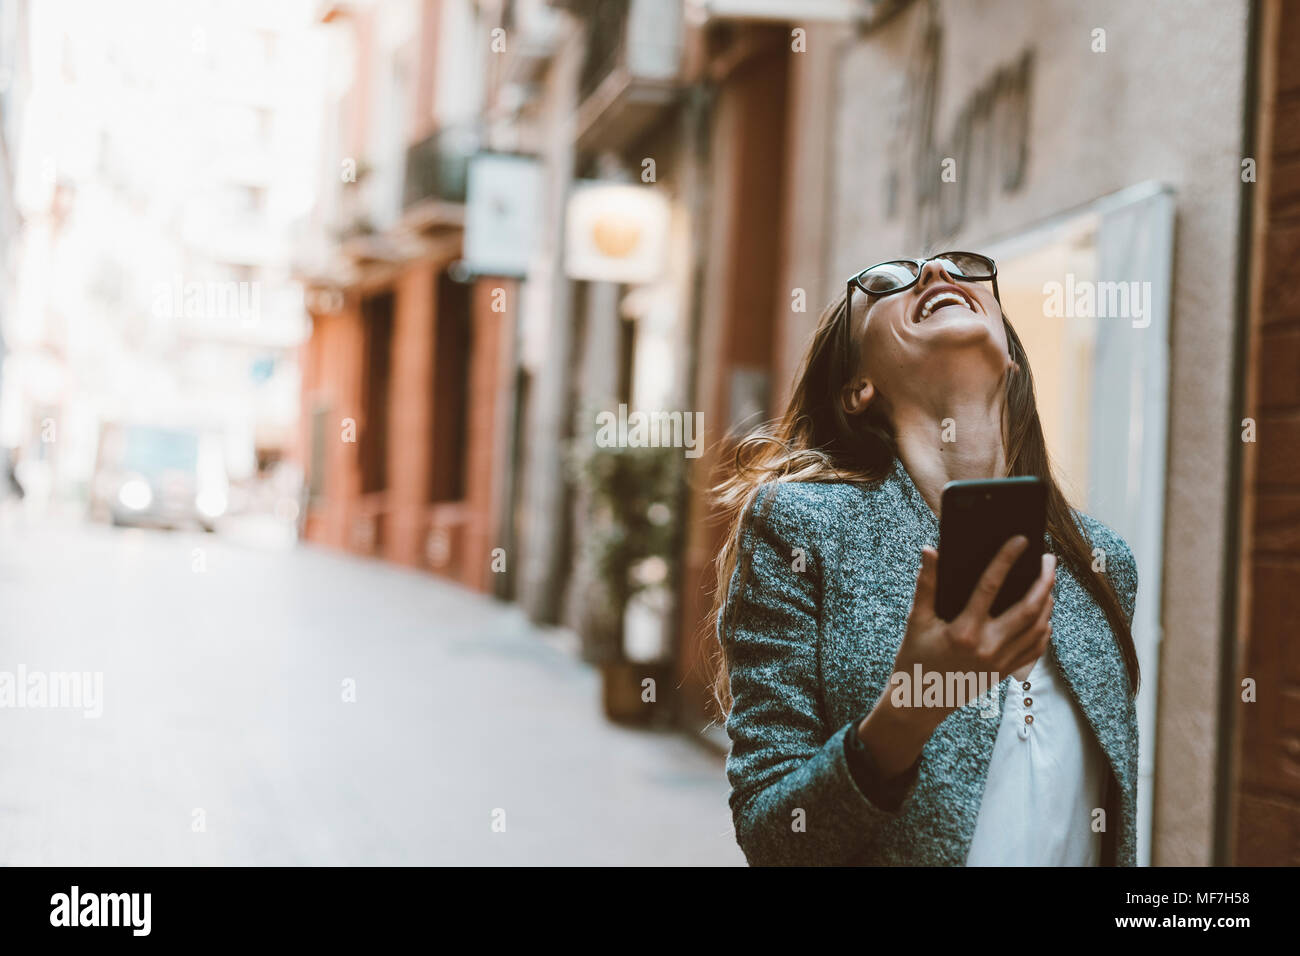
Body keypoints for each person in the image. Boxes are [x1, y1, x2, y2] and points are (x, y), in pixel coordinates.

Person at [712, 252, 1139, 866]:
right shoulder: (800, 528)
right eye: (891, 280)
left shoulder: (1104, 564)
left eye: (962, 269)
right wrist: (910, 708)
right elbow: (776, 838)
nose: (939, 276)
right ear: (858, 388)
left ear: (1009, 359)